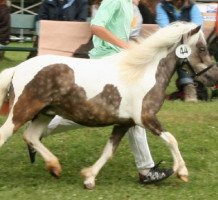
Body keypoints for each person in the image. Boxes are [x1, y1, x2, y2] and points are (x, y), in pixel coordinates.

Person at [47, 0, 173, 184]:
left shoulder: (132, 5)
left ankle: (41, 129)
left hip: (118, 60)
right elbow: (96, 27)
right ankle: (146, 170)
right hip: (107, 62)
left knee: (121, 112)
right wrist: (125, 46)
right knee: (131, 111)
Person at [155, 0, 203, 102]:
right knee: (180, 50)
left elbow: (197, 27)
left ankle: (188, 87)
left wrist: (183, 38)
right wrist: (182, 34)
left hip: (189, 44)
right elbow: (165, 28)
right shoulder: (161, 6)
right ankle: (188, 86)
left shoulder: (192, 6)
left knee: (182, 51)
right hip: (169, 42)